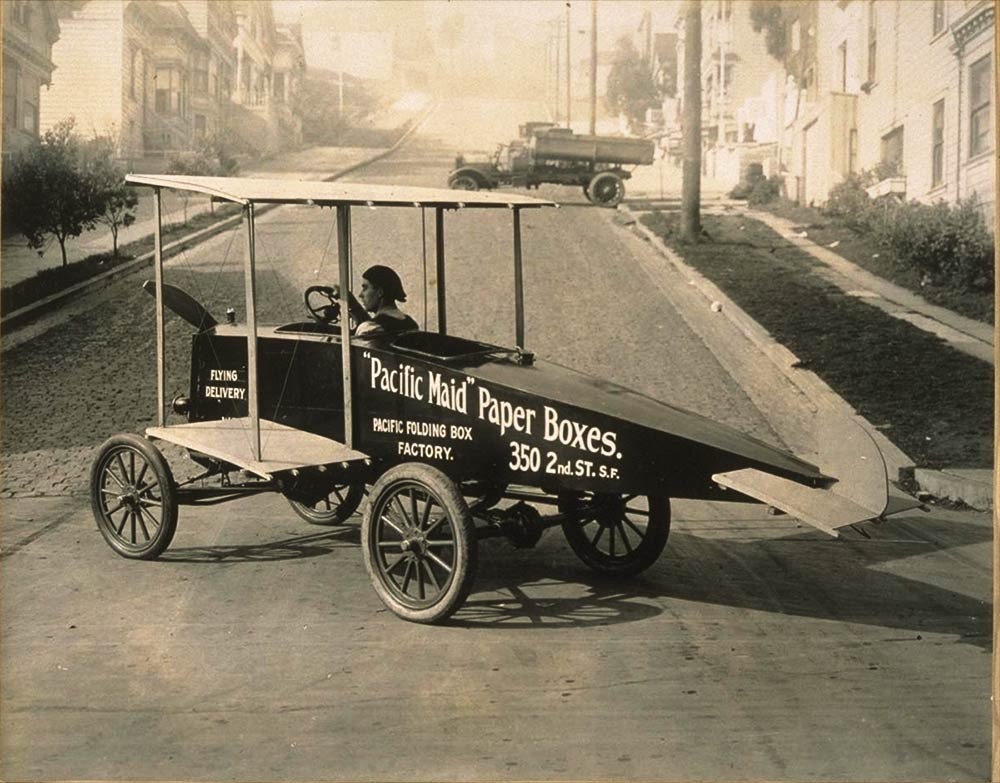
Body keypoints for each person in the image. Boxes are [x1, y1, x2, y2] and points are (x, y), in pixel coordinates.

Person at [330, 264, 418, 336]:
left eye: (365, 288)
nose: (360, 295)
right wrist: (352, 303)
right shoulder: (410, 324)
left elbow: (370, 327)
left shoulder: (370, 328)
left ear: (380, 292)